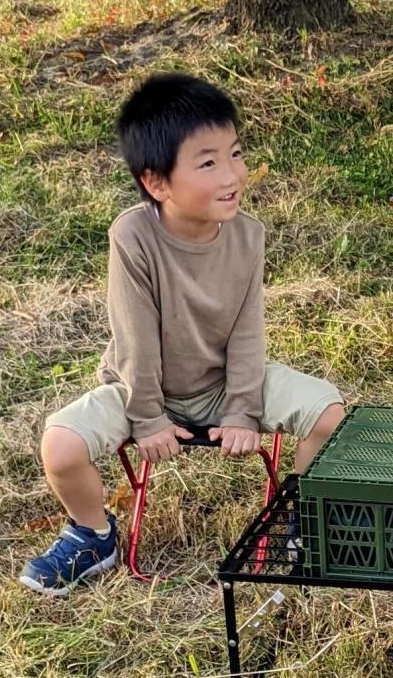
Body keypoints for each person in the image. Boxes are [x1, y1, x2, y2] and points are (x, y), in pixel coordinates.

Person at [19, 74, 346, 597]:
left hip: (221, 386)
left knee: (328, 412)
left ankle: (298, 518)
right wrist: (147, 416)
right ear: (157, 183)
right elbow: (135, 338)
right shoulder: (133, 236)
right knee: (60, 445)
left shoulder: (248, 235)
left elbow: (246, 331)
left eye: (235, 154)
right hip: (142, 390)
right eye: (209, 162)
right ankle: (92, 535)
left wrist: (241, 407)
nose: (233, 174)